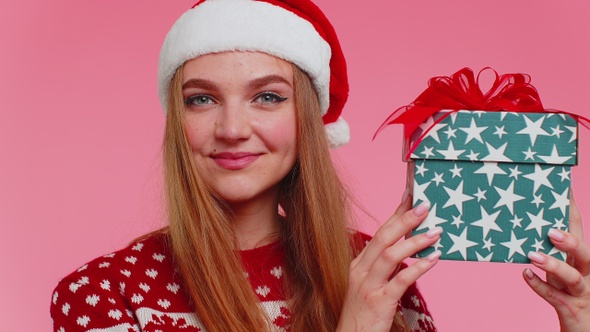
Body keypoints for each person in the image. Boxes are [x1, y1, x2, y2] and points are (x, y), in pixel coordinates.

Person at [49, 0, 590, 331]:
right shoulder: (103, 295)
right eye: (201, 99)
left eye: (267, 97)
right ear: (177, 121)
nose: (233, 128)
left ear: (308, 120)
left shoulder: (376, 274)